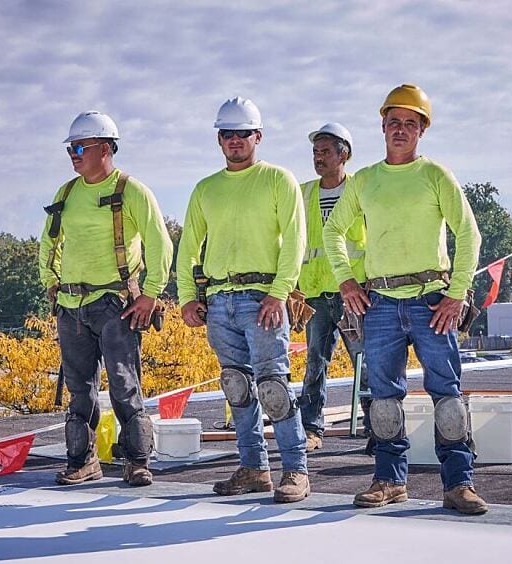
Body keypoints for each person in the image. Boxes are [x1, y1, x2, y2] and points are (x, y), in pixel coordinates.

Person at [322, 85, 487, 514]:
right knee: (383, 397)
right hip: (379, 302)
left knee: (447, 395)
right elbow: (332, 231)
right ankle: (390, 480)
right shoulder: (364, 181)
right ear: (382, 126)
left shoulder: (435, 176)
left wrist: (456, 293)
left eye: (410, 124)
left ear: (422, 131)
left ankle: (458, 484)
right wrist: (347, 282)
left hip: (432, 300)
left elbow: (469, 233)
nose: (400, 130)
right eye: (394, 122)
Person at [177, 96, 310, 503]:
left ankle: (296, 470)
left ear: (258, 136)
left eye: (242, 133)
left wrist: (279, 292)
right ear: (219, 139)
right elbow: (188, 248)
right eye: (227, 134)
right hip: (220, 300)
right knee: (237, 386)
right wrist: (186, 297)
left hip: (262, 298)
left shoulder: (277, 180)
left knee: (273, 385)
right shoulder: (206, 189)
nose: (234, 140)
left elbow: (295, 241)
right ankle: (254, 468)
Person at [39, 110, 173, 487]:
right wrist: (51, 282)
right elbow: (48, 242)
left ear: (106, 148)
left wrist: (150, 295)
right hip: (70, 307)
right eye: (71, 148)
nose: (73, 153)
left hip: (115, 305)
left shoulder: (130, 190)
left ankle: (137, 462)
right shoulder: (66, 194)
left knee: (123, 383)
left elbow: (160, 243)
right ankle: (83, 462)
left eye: (80, 146)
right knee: (79, 390)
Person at [296, 123, 371, 452]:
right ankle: (311, 429)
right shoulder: (303, 193)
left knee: (365, 362)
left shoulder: (363, 190)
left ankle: (378, 428)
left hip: (353, 292)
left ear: (345, 155)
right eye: (316, 152)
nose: (318, 158)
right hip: (315, 292)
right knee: (315, 362)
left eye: (326, 151)